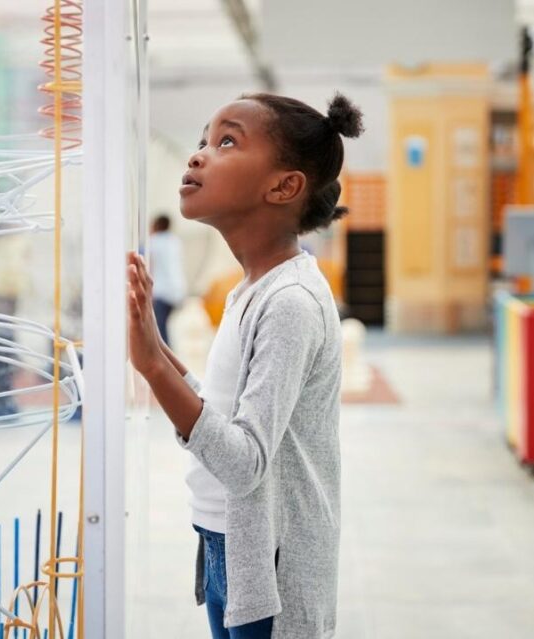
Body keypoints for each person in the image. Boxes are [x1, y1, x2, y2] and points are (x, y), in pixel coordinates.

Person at [126, 92, 363, 639]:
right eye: (203, 140)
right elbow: (225, 411)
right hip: (228, 544)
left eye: (226, 141)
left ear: (283, 187)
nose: (198, 155)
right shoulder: (253, 289)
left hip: (270, 569)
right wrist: (153, 345)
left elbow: (244, 463)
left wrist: (155, 371)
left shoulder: (291, 304)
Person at [147, 214, 186, 346]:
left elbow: (149, 265)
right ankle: (169, 354)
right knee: (164, 327)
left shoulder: (154, 242)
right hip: (176, 291)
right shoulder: (174, 241)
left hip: (161, 291)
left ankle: (166, 358)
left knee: (160, 330)